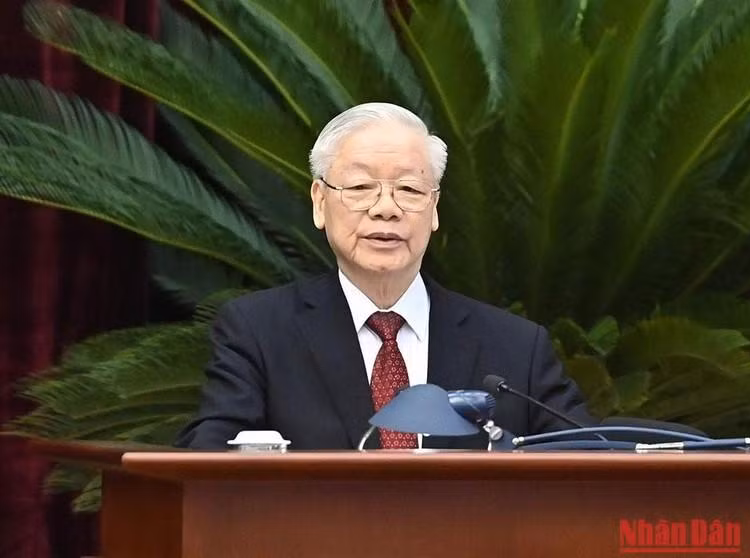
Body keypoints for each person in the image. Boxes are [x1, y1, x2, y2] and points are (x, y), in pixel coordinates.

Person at [175, 103, 594, 450]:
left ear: (434, 210)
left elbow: (591, 463)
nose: (386, 208)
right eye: (360, 188)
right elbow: (209, 458)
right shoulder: (258, 332)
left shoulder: (518, 348)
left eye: (409, 190)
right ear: (320, 202)